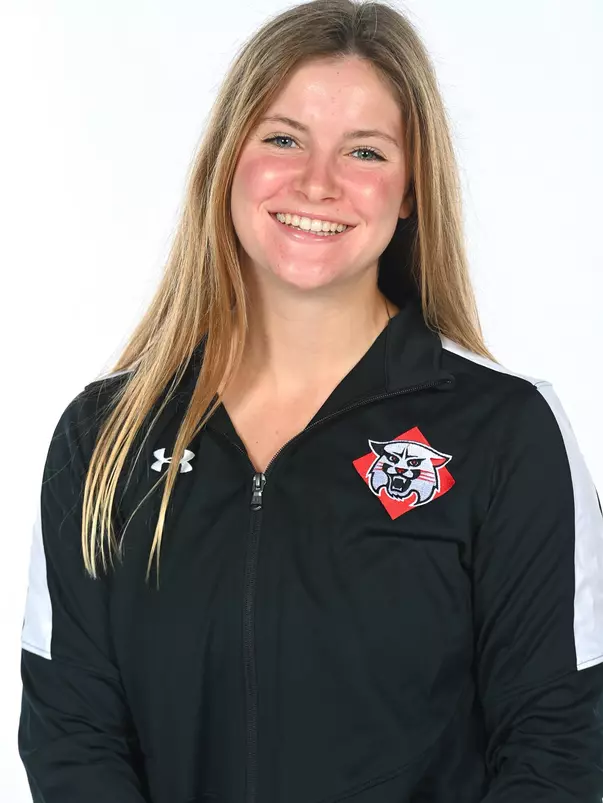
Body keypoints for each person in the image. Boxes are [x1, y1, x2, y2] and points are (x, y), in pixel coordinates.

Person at [18, 1, 603, 801]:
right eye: (283, 137)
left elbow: (561, 742)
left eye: (364, 151)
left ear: (408, 192)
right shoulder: (104, 435)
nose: (317, 183)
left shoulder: (504, 433)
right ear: (229, 159)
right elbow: (72, 733)